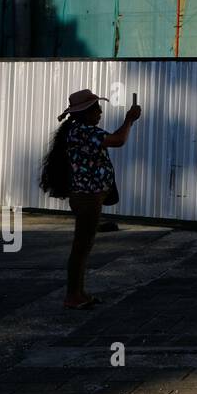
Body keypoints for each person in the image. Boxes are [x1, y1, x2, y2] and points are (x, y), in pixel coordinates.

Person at [40, 89, 142, 310]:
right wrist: (129, 120)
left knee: (83, 246)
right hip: (87, 197)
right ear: (85, 113)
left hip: (88, 196)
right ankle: (72, 296)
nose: (100, 111)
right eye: (95, 108)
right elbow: (118, 140)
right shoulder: (85, 131)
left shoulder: (77, 130)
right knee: (81, 246)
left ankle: (78, 293)